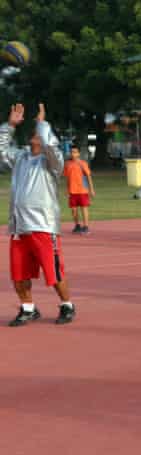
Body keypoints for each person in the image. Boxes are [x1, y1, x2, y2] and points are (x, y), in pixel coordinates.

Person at [1, 103, 76, 326]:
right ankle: (28, 308)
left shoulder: (52, 161)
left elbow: (51, 146)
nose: (36, 135)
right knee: (18, 274)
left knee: (53, 272)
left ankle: (67, 305)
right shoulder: (20, 157)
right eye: (35, 132)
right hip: (19, 227)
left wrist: (43, 123)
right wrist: (10, 126)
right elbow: (1, 150)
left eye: (39, 134)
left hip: (43, 226)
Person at [62, 144, 95, 234]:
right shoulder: (67, 164)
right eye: (71, 152)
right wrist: (67, 189)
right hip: (72, 191)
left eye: (75, 152)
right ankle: (77, 225)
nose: (73, 154)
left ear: (78, 154)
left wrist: (91, 189)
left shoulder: (82, 163)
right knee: (74, 210)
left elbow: (88, 176)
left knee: (84, 208)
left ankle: (86, 226)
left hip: (82, 190)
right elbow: (67, 178)